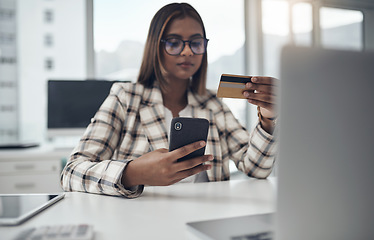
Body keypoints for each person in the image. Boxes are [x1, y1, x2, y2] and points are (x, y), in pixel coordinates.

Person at [60, 2, 277, 198]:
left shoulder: (213, 104)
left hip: (206, 218)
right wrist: (132, 173)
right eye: (174, 43)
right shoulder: (126, 98)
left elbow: (257, 168)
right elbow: (71, 172)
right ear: (156, 46)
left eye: (196, 43)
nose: (187, 52)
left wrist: (267, 118)